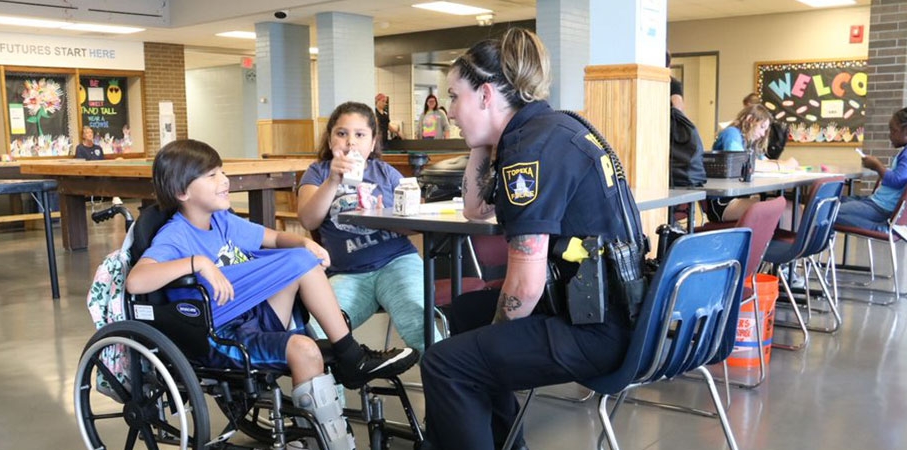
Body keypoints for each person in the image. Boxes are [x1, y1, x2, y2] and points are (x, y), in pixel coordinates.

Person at [419, 28, 639, 450]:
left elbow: (525, 285)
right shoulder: (545, 128)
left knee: (446, 364)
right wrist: (481, 141)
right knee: (466, 316)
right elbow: (474, 209)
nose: (449, 109)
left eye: (453, 96)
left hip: (596, 330)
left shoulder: (530, 150)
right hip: (612, 310)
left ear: (485, 95)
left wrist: (494, 345)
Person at [125, 140, 419, 450]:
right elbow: (136, 282)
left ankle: (347, 358)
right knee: (305, 347)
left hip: (253, 314)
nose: (224, 181)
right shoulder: (176, 235)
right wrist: (198, 263)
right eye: (212, 175)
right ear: (182, 192)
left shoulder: (222, 221)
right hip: (220, 334)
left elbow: (276, 237)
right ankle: (346, 368)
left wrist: (306, 244)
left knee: (300, 259)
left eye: (221, 171)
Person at [298, 101, 436, 355]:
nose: (350, 142)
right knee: (314, 333)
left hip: (397, 262)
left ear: (372, 143)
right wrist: (333, 181)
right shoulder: (317, 173)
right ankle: (332, 395)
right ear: (330, 141)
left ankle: (446, 391)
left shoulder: (386, 173)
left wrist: (389, 215)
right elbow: (308, 219)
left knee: (420, 322)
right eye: (342, 134)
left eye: (360, 135)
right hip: (348, 273)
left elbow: (414, 222)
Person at [705, 104, 800, 222]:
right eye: (762, 127)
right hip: (723, 203)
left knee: (791, 206)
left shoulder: (748, 141)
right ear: (750, 119)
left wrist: (785, 163)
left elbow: (764, 161)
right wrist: (782, 165)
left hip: (738, 198)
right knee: (784, 208)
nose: (762, 134)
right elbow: (743, 162)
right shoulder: (731, 133)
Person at [835, 107, 907, 232]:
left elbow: (897, 180)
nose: (890, 135)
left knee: (827, 211)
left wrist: (877, 166)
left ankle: (879, 228)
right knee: (830, 203)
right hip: (878, 202)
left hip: (881, 208)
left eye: (893, 131)